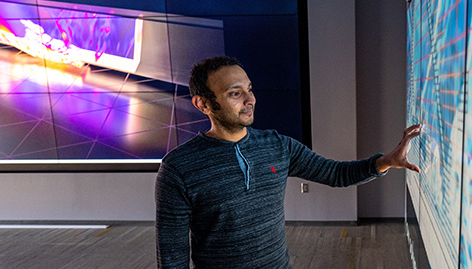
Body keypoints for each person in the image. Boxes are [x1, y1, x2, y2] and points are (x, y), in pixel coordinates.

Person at [155, 56, 421, 268]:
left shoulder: (278, 146)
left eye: (249, 89)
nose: (250, 100)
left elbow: (336, 174)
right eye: (235, 93)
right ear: (203, 104)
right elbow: (172, 257)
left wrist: (386, 161)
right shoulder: (179, 168)